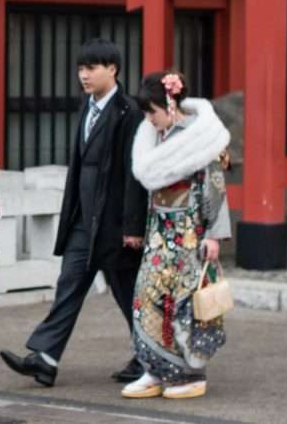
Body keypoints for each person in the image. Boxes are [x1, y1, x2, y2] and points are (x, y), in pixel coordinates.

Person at [0, 38, 147, 386]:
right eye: (81, 68)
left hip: (115, 224)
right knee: (69, 285)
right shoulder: (87, 107)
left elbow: (134, 174)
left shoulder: (129, 112)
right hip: (84, 222)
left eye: (91, 68)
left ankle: (150, 356)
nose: (83, 75)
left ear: (112, 69)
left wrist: (133, 227)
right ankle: (45, 359)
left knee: (128, 294)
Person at [122, 71, 230, 400]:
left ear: (169, 105)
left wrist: (214, 234)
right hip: (159, 230)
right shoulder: (152, 136)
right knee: (146, 299)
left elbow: (215, 186)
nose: (148, 119)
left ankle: (190, 373)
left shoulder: (201, 135)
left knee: (183, 305)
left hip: (189, 232)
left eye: (151, 111)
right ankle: (154, 369)